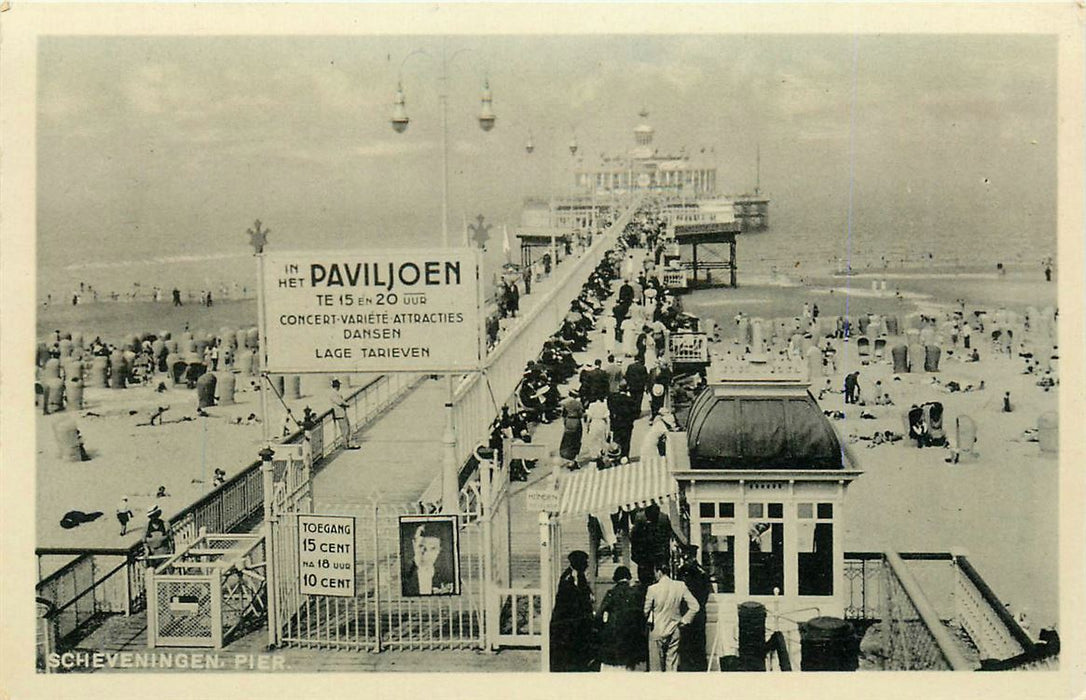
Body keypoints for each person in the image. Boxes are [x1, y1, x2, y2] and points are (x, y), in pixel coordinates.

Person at [644, 561, 700, 672]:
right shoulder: (680, 586)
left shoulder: (652, 589)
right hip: (675, 628)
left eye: (655, 572)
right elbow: (695, 606)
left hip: (657, 629)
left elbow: (646, 611)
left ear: (659, 572)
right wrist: (684, 620)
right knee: (672, 663)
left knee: (656, 667)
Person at [549, 550, 597, 672]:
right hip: (567, 623)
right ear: (577, 563)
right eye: (584, 562)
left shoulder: (579, 575)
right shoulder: (568, 579)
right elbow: (571, 602)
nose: (586, 565)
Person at [597, 566, 645, 671]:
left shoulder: (611, 593)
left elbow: (600, 615)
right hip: (630, 635)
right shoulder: (634, 593)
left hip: (613, 635)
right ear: (628, 578)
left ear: (616, 579)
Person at [677, 545, 711, 671]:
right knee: (688, 643)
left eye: (688, 558)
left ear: (692, 557)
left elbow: (704, 595)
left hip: (694, 613)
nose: (686, 560)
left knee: (696, 643)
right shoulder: (685, 571)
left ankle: (697, 669)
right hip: (690, 613)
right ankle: (690, 668)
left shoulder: (698, 572)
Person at [401, 523, 456, 596]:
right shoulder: (403, 575)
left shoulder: (447, 578)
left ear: (439, 550)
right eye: (421, 546)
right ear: (414, 544)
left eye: (433, 548)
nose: (426, 553)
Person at [328, 379, 360, 450]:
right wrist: (346, 404)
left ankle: (348, 443)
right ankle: (346, 445)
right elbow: (339, 402)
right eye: (338, 385)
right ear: (336, 386)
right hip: (340, 414)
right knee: (345, 430)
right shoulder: (334, 393)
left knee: (347, 428)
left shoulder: (335, 393)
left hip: (341, 413)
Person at [559, 389, 584, 461]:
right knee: (576, 438)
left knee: (568, 438)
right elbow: (581, 414)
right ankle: (574, 455)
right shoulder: (578, 403)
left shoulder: (566, 403)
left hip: (568, 421)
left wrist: (565, 422)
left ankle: (567, 454)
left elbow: (563, 415)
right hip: (576, 421)